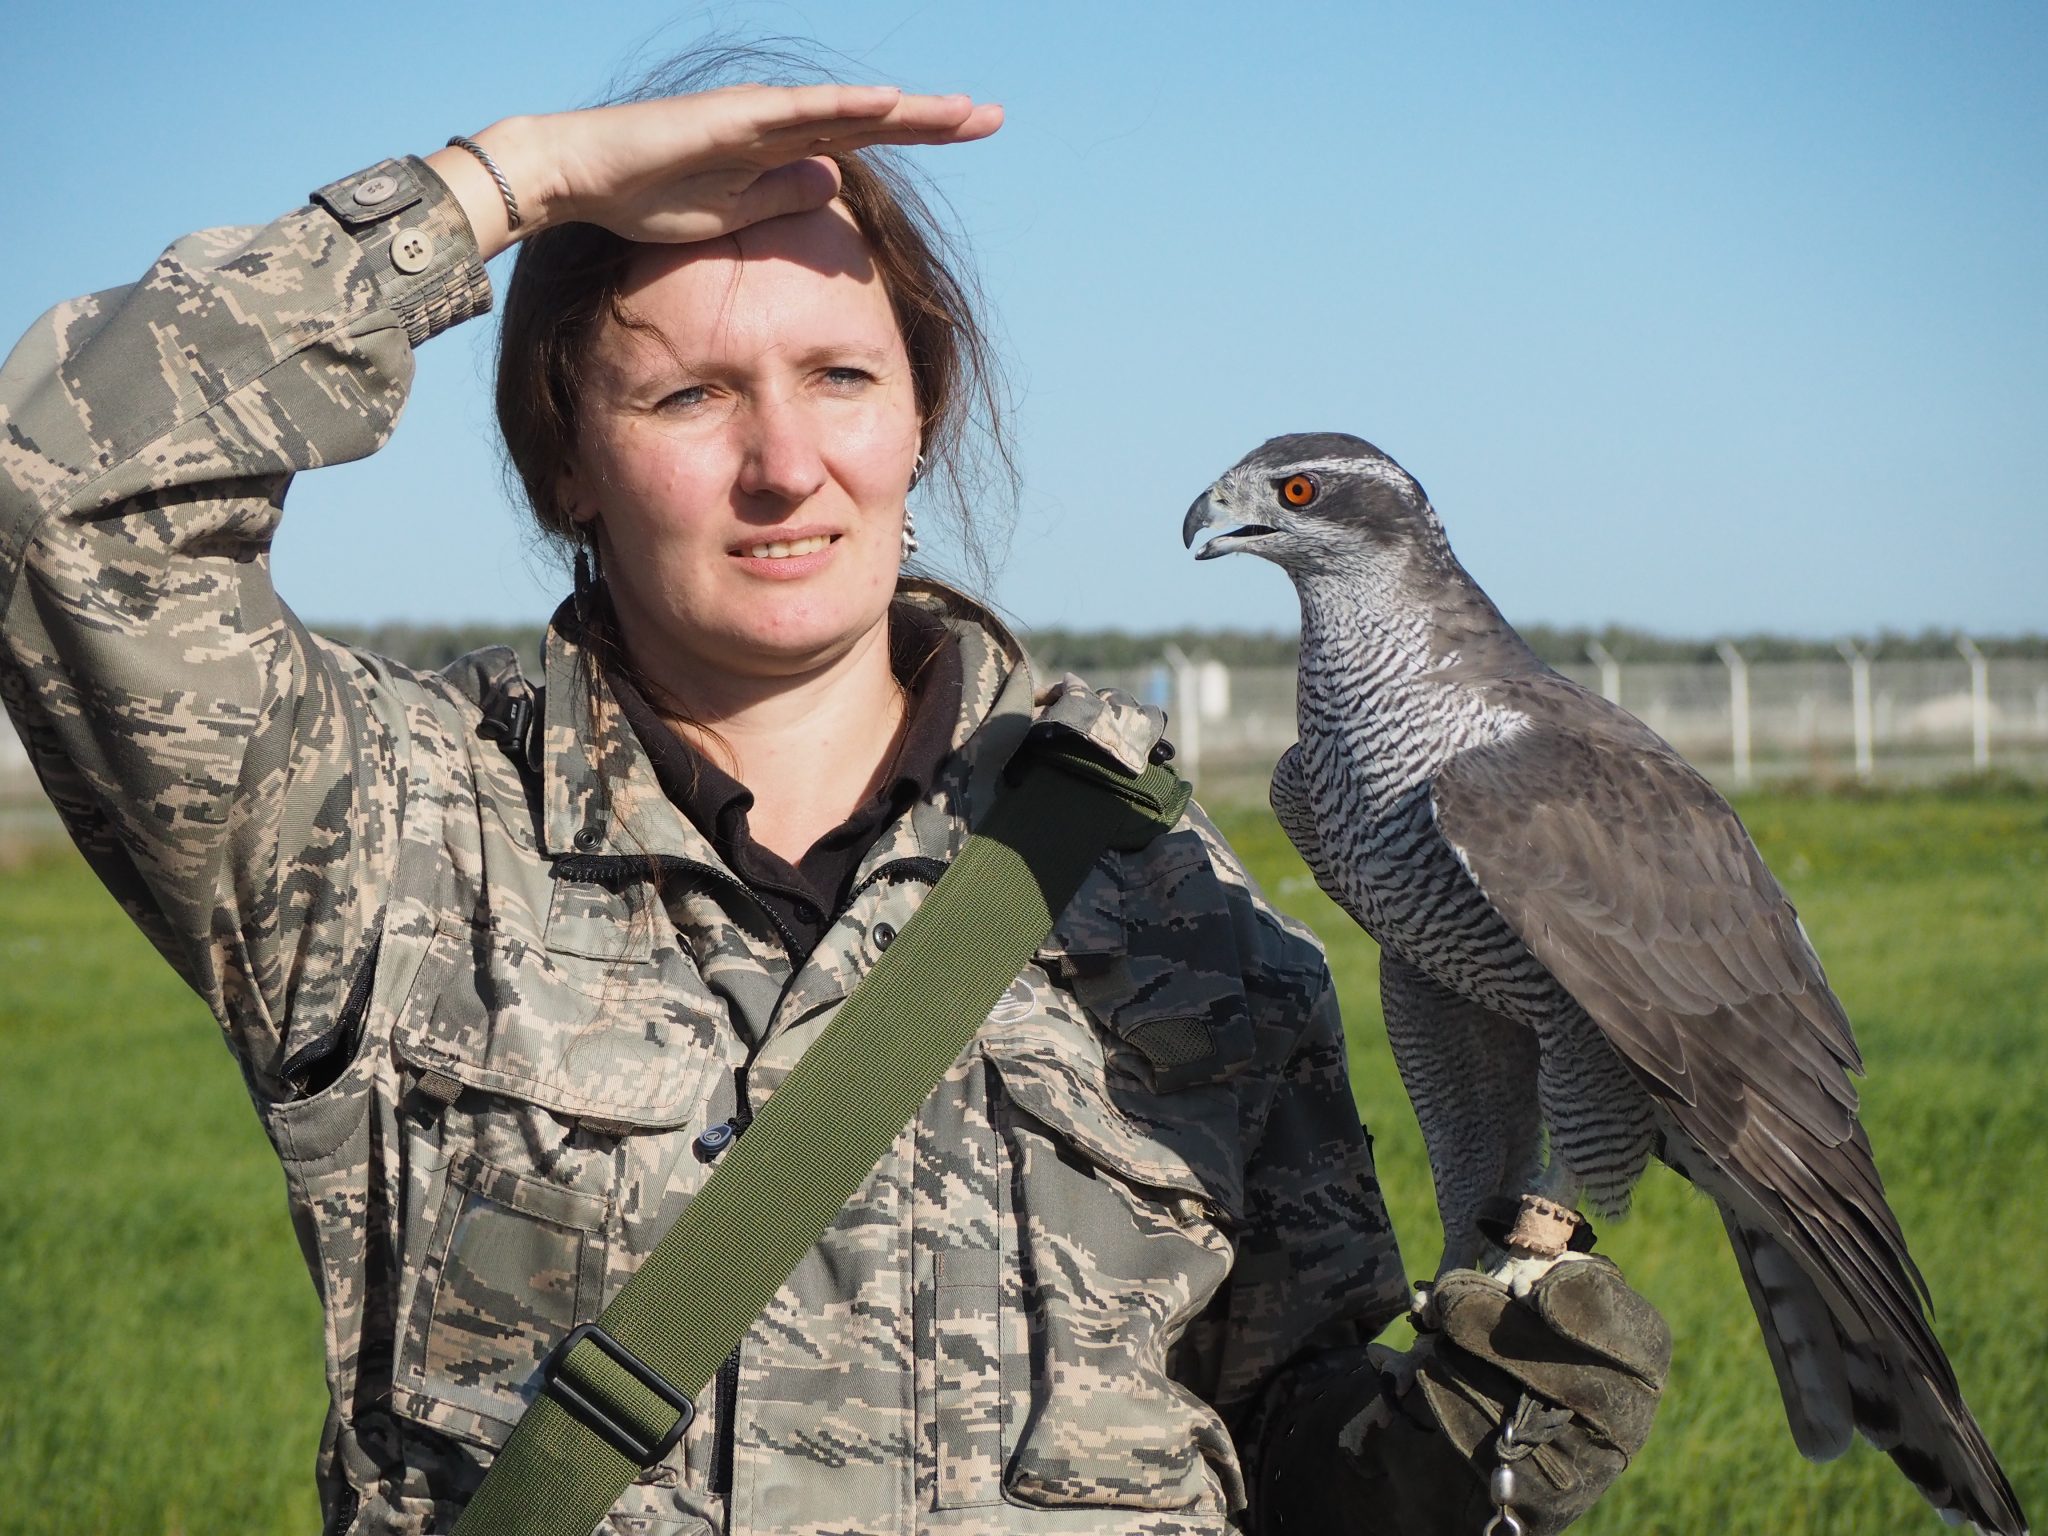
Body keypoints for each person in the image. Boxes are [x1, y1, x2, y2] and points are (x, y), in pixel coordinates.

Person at [0, 58, 1668, 1536]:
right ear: (565, 459)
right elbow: (66, 498)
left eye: (842, 378)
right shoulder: (385, 831)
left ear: (921, 421)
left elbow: (1282, 1443)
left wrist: (1455, 1441)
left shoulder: (1170, 902)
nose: (785, 463)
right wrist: (509, 185)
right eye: (690, 393)